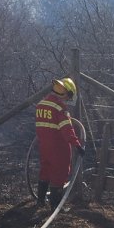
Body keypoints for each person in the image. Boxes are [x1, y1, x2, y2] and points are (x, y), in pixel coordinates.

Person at [35, 77, 83, 208]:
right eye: (69, 95)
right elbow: (67, 129)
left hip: (44, 145)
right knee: (59, 173)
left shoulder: (41, 104)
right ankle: (55, 207)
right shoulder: (60, 107)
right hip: (59, 147)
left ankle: (40, 201)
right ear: (65, 93)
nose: (68, 98)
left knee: (45, 170)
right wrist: (77, 144)